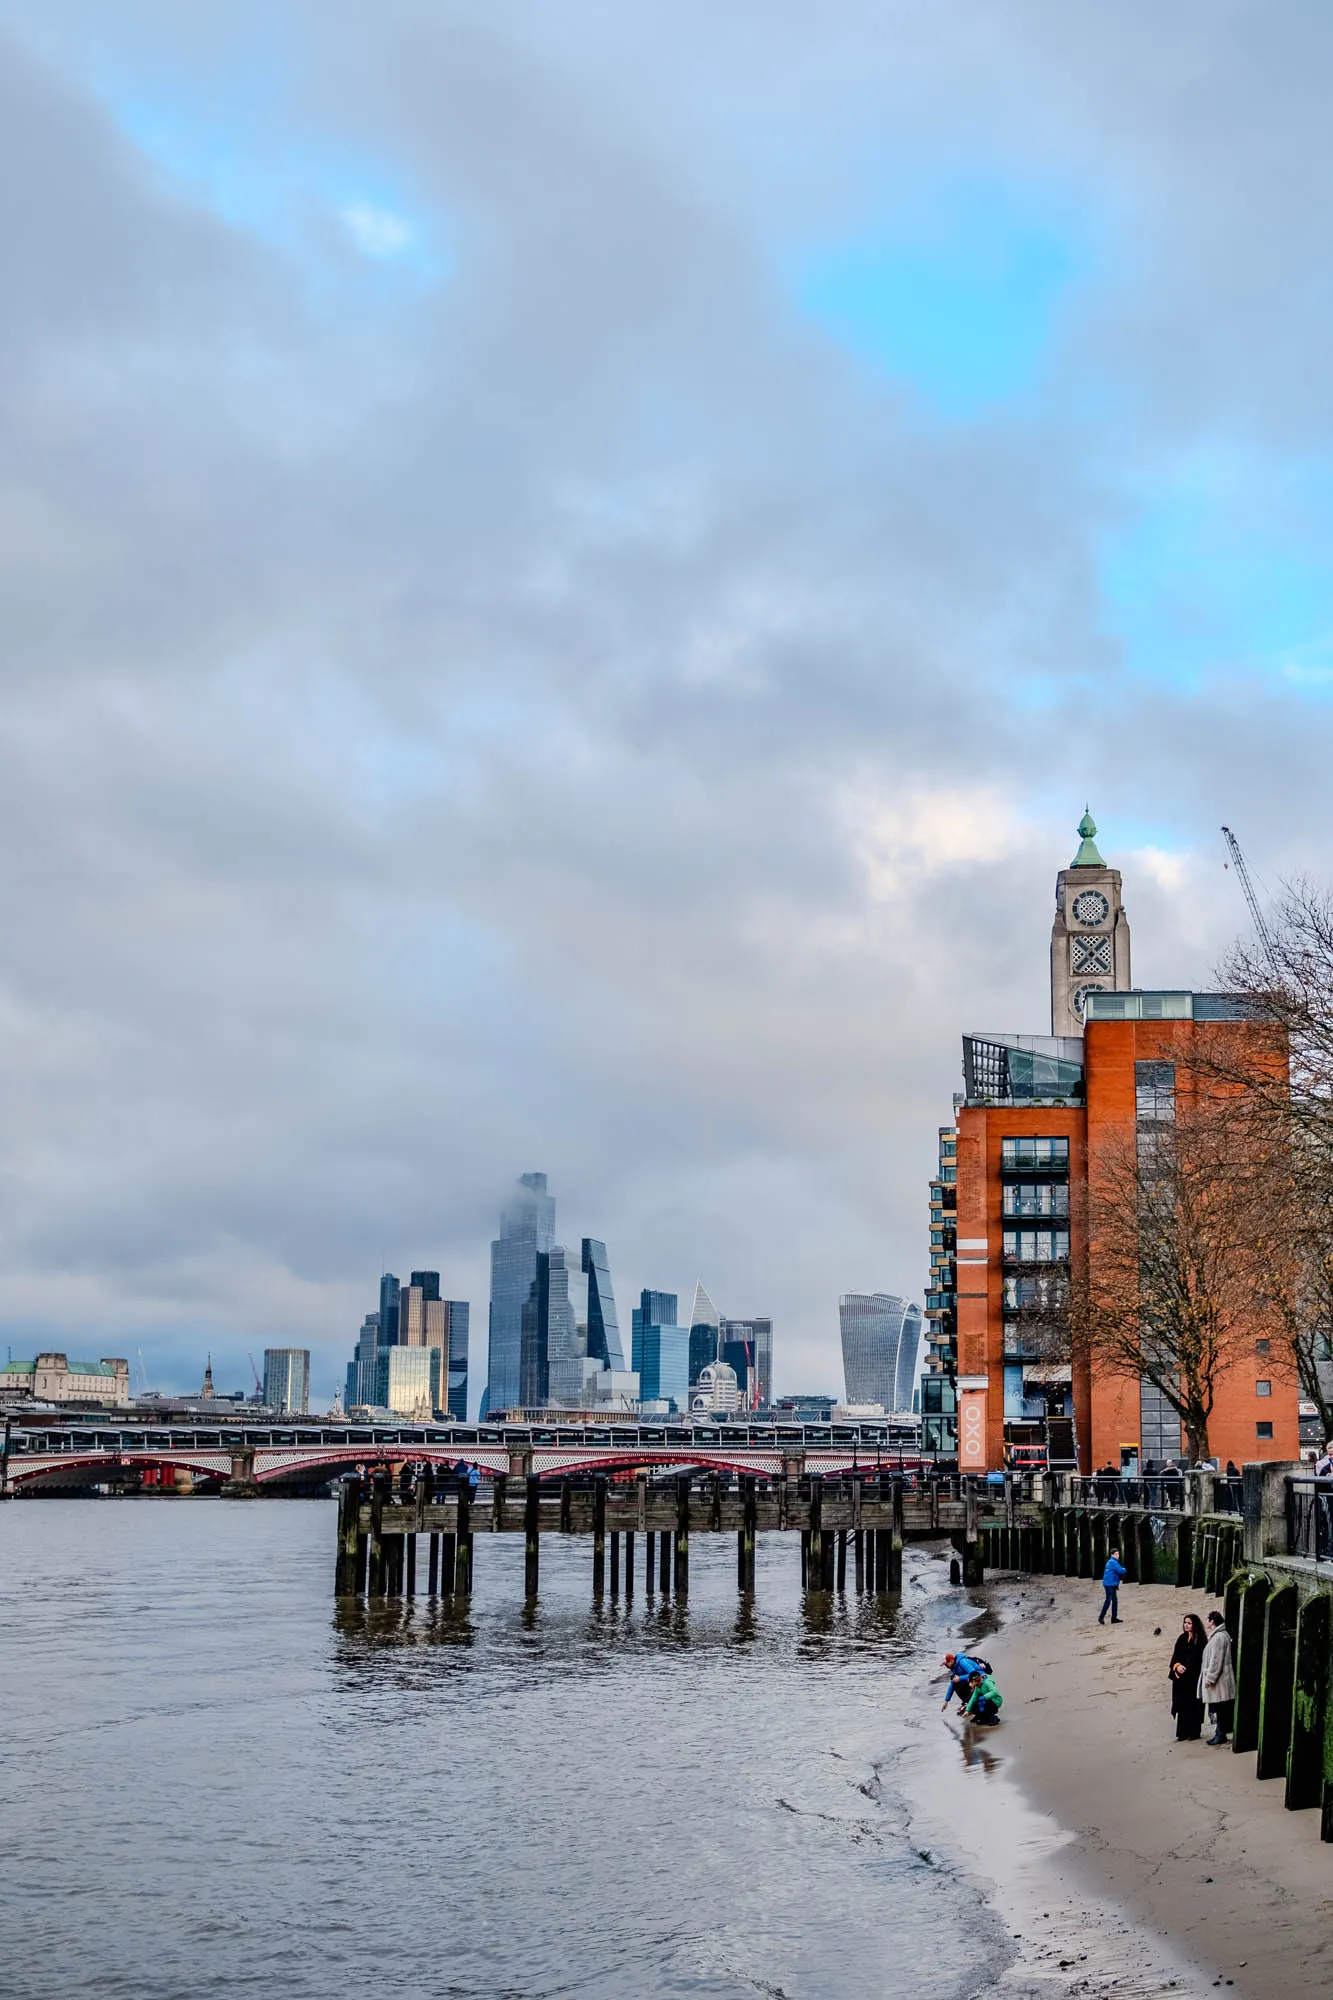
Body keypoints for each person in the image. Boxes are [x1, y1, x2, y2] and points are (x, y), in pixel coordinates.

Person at [1168, 1613, 1207, 1740]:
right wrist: (1177, 1666)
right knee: (1182, 1704)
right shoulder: (1181, 1638)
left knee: (1193, 1705)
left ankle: (1194, 1732)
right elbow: (1176, 1655)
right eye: (1185, 1622)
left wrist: (1186, 1667)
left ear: (1194, 1625)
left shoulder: (1200, 1640)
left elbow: (1197, 1658)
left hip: (1194, 1678)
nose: (1186, 1625)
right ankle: (1182, 1733)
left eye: (1189, 1623)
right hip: (1181, 1678)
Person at [1200, 1611, 1236, 1744]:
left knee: (1220, 1708)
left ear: (1212, 1621)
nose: (1206, 1622)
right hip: (1221, 1679)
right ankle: (1219, 1733)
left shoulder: (1219, 1637)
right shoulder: (1219, 1635)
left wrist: (1210, 1678)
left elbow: (1216, 1660)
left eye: (1208, 1620)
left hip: (1220, 1681)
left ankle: (1220, 1735)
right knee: (1219, 1708)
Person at [1099, 1546, 1128, 1625]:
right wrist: (1125, 1569)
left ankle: (1114, 1618)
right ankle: (1101, 1617)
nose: (1117, 1555)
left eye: (1118, 1554)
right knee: (1108, 1601)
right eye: (1116, 1554)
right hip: (1109, 1584)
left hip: (1111, 1584)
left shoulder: (1113, 1562)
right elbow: (1121, 1571)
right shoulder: (1112, 1562)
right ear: (1112, 1555)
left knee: (1114, 1601)